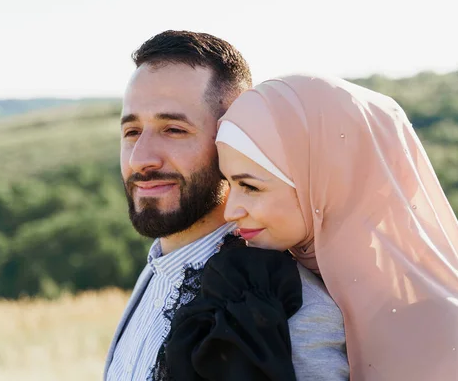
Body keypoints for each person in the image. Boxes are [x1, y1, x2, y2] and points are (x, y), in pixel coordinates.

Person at [193, 75, 458, 380]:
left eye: (250, 186)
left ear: (322, 184)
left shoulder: (436, 324)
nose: (231, 210)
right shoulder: (257, 286)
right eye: (229, 184)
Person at [104, 32, 349, 381]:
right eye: (131, 132)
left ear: (232, 137)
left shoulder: (291, 307)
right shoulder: (157, 270)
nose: (141, 159)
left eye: (173, 129)